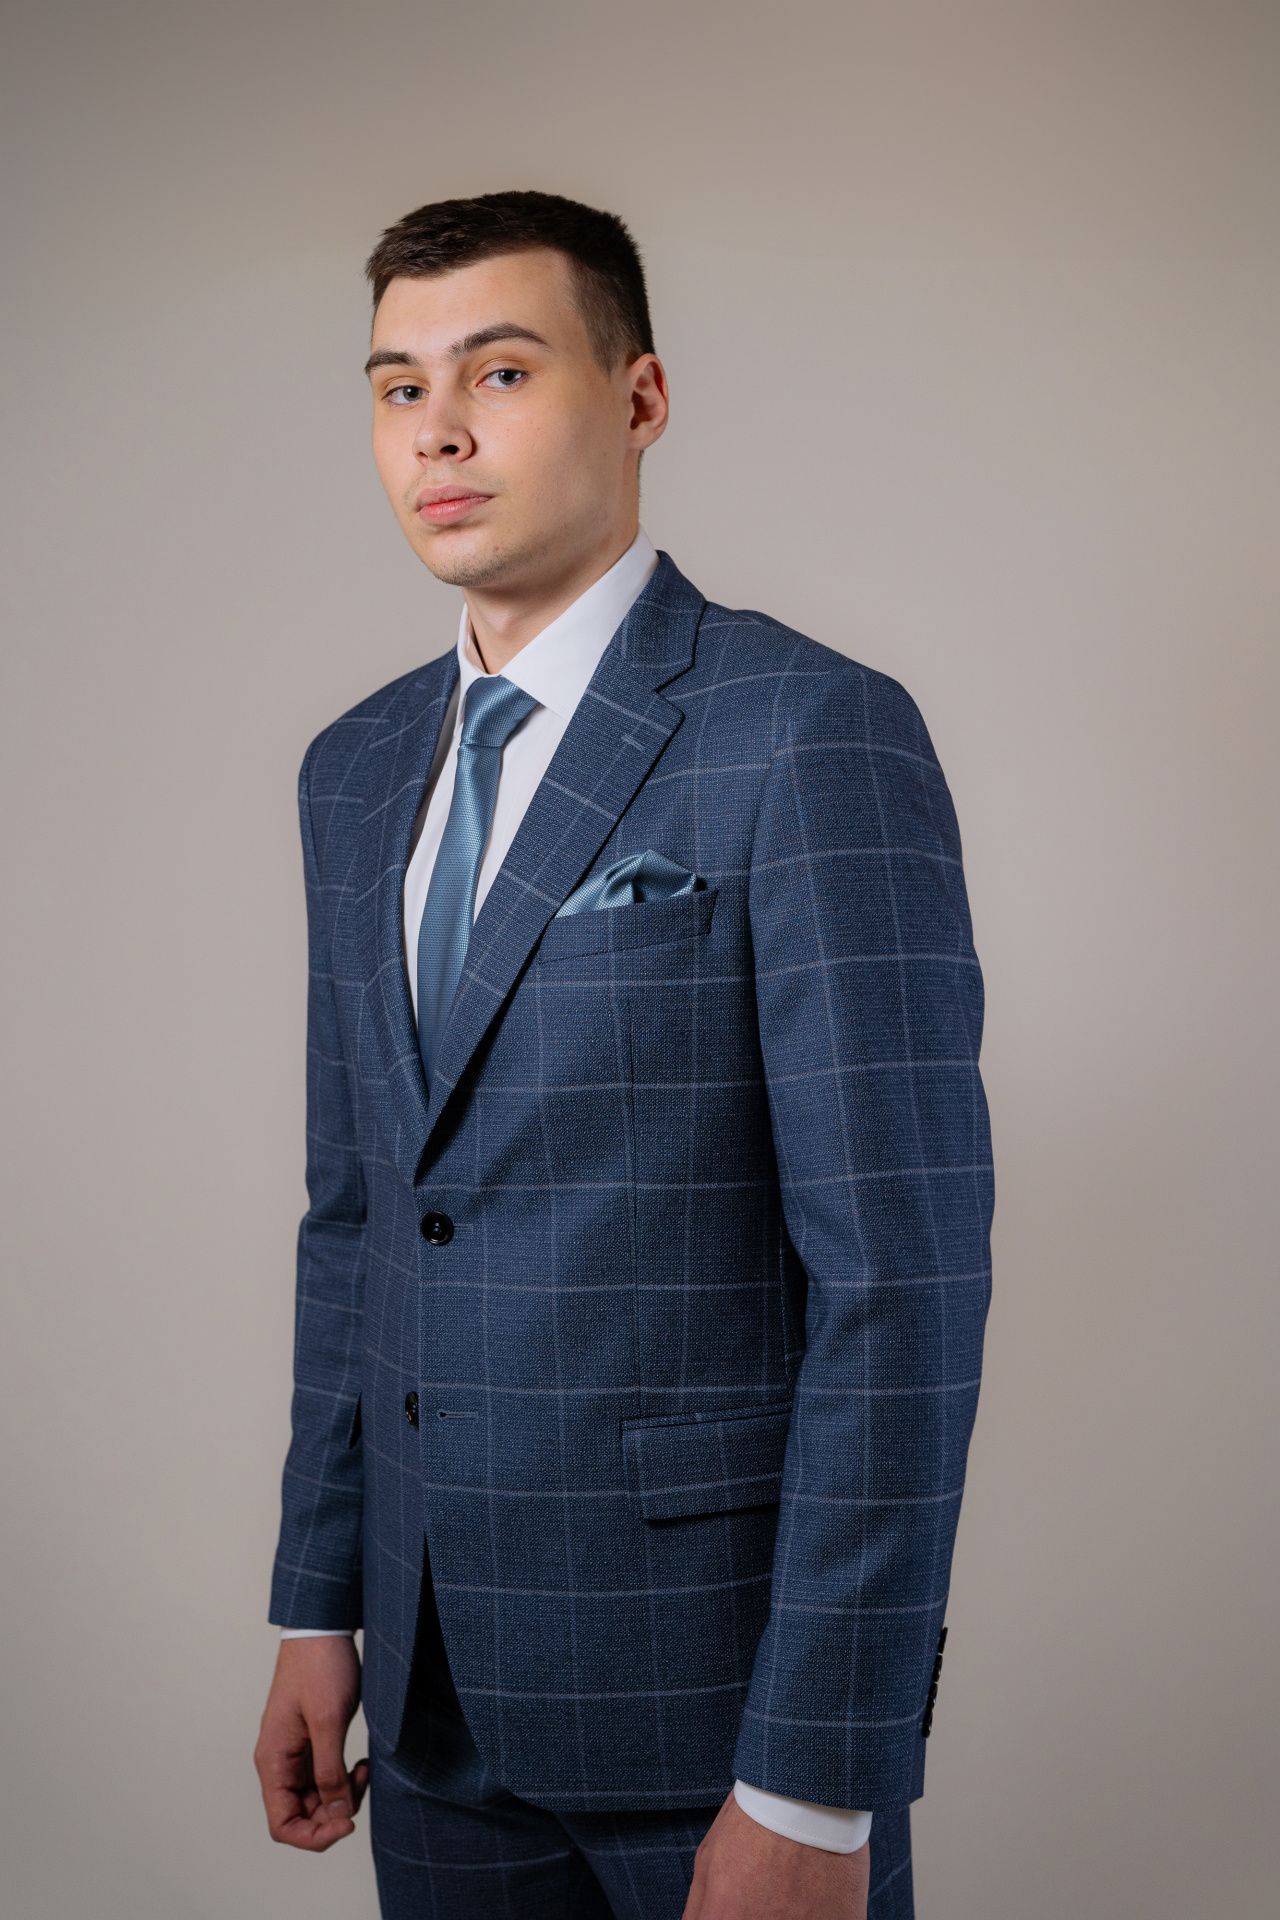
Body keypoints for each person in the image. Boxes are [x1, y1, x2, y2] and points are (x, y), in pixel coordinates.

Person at [253, 188, 994, 1920]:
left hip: (715, 1710)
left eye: (500, 372)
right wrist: (316, 1601)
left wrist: (817, 1776)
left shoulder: (803, 731)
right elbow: (361, 1220)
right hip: (429, 1702)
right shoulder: (352, 772)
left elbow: (899, 1280)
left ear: (641, 396)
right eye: (397, 387)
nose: (437, 430)